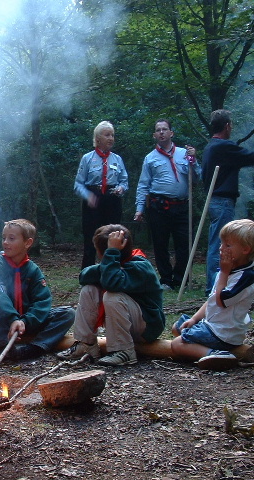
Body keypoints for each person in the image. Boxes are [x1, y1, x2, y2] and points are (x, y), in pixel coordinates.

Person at [57, 224, 165, 366]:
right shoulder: (111, 266)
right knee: (89, 289)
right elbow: (84, 276)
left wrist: (112, 252)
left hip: (146, 328)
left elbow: (111, 283)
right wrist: (110, 260)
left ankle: (125, 351)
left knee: (112, 295)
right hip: (128, 323)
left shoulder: (140, 267)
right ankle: (86, 344)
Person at [0, 219, 75, 361]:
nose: (5, 242)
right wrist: (13, 319)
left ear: (27, 243)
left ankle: (35, 348)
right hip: (3, 322)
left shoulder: (32, 269)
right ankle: (2, 347)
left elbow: (42, 300)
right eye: (4, 238)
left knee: (68, 313)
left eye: (11, 238)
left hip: (27, 323)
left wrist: (25, 321)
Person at [171, 219, 254, 371]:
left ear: (245, 249)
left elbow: (221, 301)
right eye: (221, 243)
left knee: (176, 344)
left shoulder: (245, 277)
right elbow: (212, 300)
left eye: (228, 245)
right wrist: (195, 318)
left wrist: (223, 272)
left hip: (224, 333)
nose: (221, 249)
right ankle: (206, 350)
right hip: (213, 326)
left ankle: (217, 354)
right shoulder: (230, 268)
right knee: (177, 327)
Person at [133, 119, 199, 289]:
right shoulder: (150, 158)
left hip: (182, 206)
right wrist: (139, 209)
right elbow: (143, 185)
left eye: (165, 129)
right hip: (159, 207)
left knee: (184, 244)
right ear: (155, 135)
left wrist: (194, 160)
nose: (161, 132)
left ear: (171, 133)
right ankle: (166, 280)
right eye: (158, 130)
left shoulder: (186, 154)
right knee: (160, 245)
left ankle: (180, 279)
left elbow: (197, 178)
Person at [201, 109, 254, 295]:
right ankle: (214, 289)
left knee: (216, 243)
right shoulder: (223, 147)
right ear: (227, 126)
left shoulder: (211, 147)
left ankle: (214, 286)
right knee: (221, 245)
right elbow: (250, 157)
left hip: (215, 200)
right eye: (230, 125)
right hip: (221, 201)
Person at [74, 121, 129, 269]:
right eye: (107, 135)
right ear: (98, 139)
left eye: (112, 135)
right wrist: (88, 196)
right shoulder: (87, 158)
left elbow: (124, 181)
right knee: (91, 238)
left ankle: (112, 269)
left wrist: (121, 189)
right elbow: (78, 185)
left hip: (112, 200)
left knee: (114, 235)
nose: (111, 138)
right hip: (93, 200)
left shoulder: (117, 159)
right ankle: (87, 273)